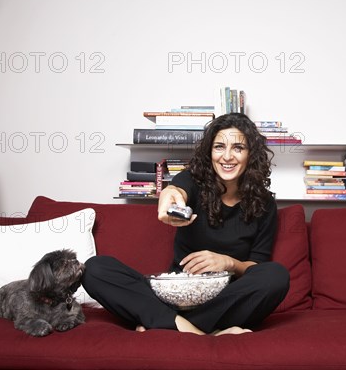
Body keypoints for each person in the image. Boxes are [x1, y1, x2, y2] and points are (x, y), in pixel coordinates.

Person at [82, 113, 290, 336]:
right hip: (174, 295)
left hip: (225, 301)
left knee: (276, 276)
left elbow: (256, 268)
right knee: (94, 269)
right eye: (219, 146)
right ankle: (199, 331)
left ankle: (165, 323)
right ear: (210, 152)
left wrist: (228, 262)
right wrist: (168, 198)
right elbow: (175, 191)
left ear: (250, 154)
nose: (227, 156)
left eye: (238, 148)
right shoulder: (193, 180)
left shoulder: (264, 203)